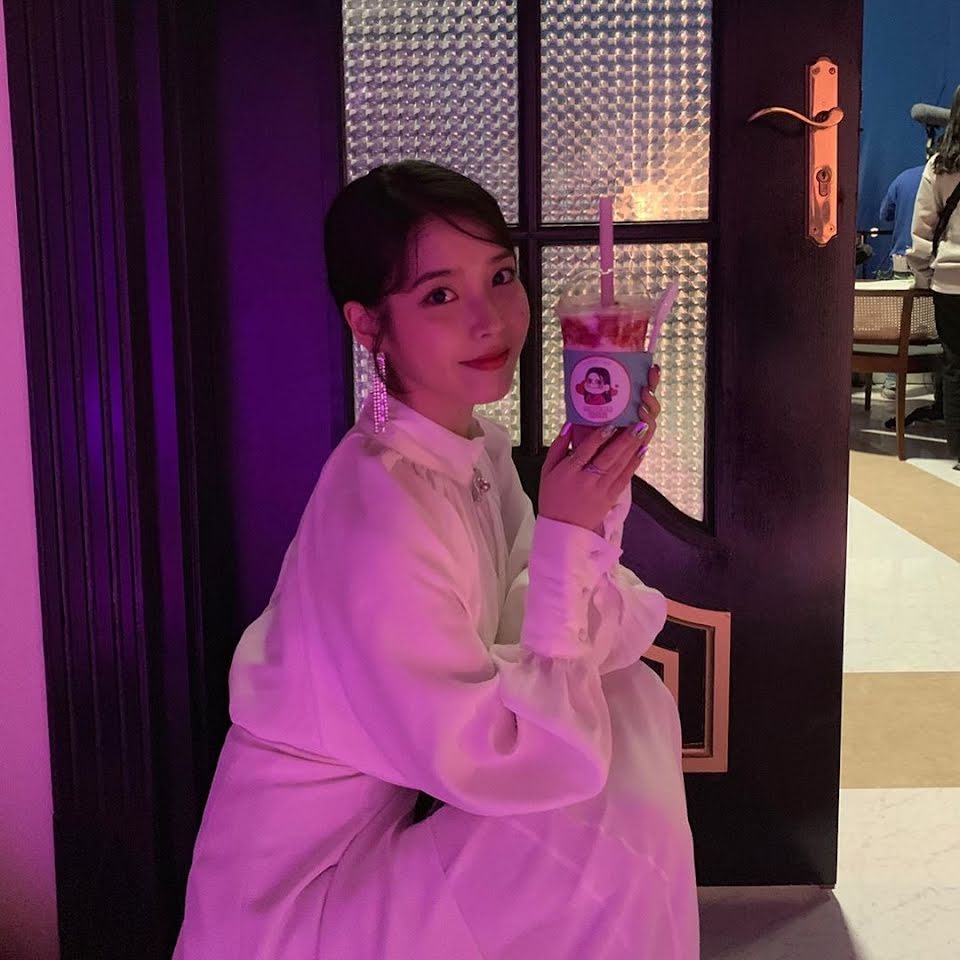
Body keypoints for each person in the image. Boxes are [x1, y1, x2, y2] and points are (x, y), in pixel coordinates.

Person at [173, 160, 699, 958]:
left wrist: (591, 500)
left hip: (381, 835)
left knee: (626, 708)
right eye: (440, 296)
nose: (491, 320)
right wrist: (567, 531)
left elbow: (528, 615)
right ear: (367, 326)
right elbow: (509, 757)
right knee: (597, 811)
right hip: (296, 900)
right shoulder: (379, 509)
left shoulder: (467, 449)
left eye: (501, 277)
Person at [907, 85, 960, 470]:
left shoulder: (940, 166)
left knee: (955, 366)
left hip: (950, 282)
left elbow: (922, 230)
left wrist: (924, 276)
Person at [876, 138, 939, 398]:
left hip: (902, 257)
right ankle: (940, 385)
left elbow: (885, 215)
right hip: (936, 262)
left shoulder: (903, 178)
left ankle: (892, 381)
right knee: (939, 323)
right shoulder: (945, 179)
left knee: (899, 323)